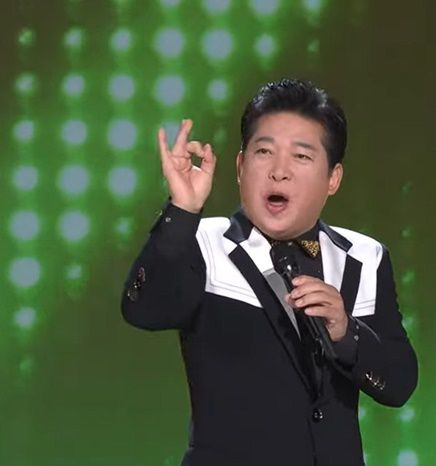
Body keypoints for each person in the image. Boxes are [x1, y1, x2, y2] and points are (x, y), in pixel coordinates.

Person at [121, 78, 418, 466]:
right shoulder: (204, 243)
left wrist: (347, 332)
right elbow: (144, 310)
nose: (279, 171)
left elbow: (398, 383)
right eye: (264, 152)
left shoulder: (363, 257)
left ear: (333, 178)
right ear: (240, 166)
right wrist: (182, 211)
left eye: (301, 156)